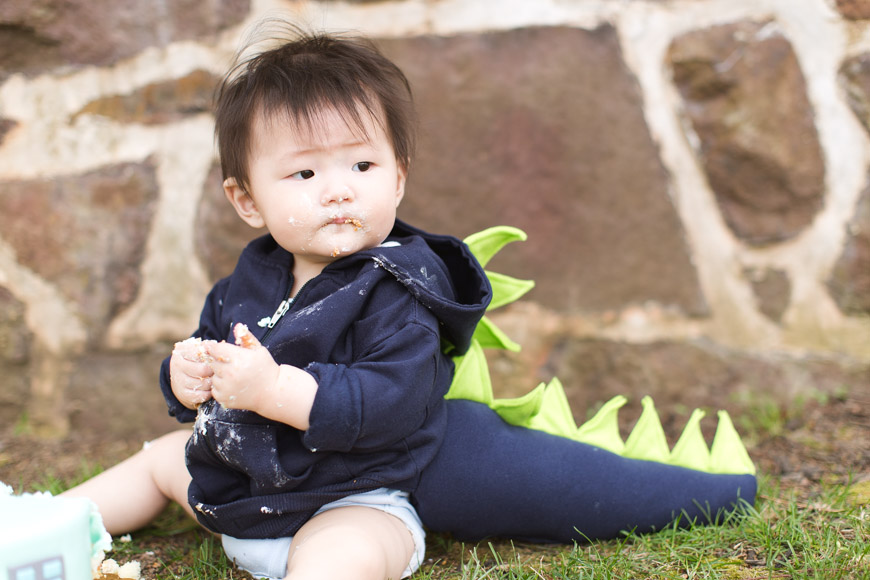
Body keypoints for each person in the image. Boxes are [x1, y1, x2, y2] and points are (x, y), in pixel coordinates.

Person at [60, 22, 757, 580]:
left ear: (397, 178)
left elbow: (390, 405)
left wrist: (275, 390)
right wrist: (184, 377)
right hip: (244, 492)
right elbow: (206, 375)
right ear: (247, 200)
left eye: (361, 165)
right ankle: (45, 524)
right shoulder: (247, 283)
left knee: (344, 553)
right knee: (161, 455)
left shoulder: (400, 289)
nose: (337, 188)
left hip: (354, 496)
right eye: (304, 171)